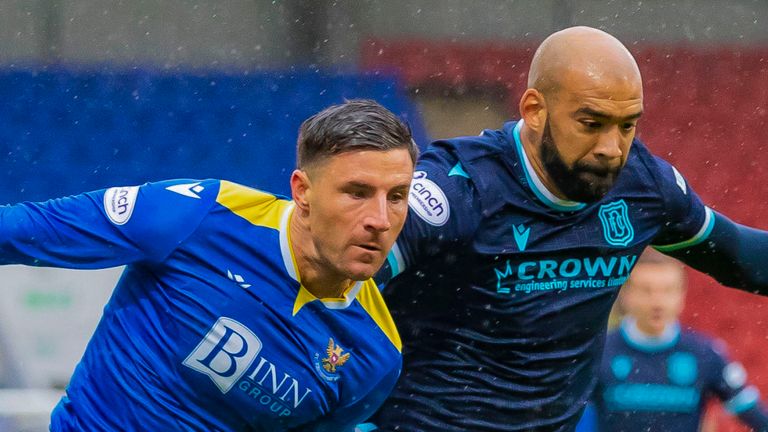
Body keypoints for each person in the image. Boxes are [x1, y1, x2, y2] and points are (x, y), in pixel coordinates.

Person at [369, 26, 768, 431]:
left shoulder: (643, 186)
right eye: (591, 123)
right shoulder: (457, 189)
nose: (611, 148)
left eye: (627, 126)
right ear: (534, 110)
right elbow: (333, 278)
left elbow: (742, 256)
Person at [0, 99, 418, 431]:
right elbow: (19, 230)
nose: (380, 220)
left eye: (396, 197)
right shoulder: (197, 215)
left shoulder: (374, 357)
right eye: (357, 192)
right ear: (302, 191)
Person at [590, 249, 768, 431]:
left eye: (667, 290)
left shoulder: (704, 352)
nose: (657, 302)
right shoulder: (598, 352)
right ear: (625, 295)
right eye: (646, 291)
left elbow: (756, 416)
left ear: (681, 295)